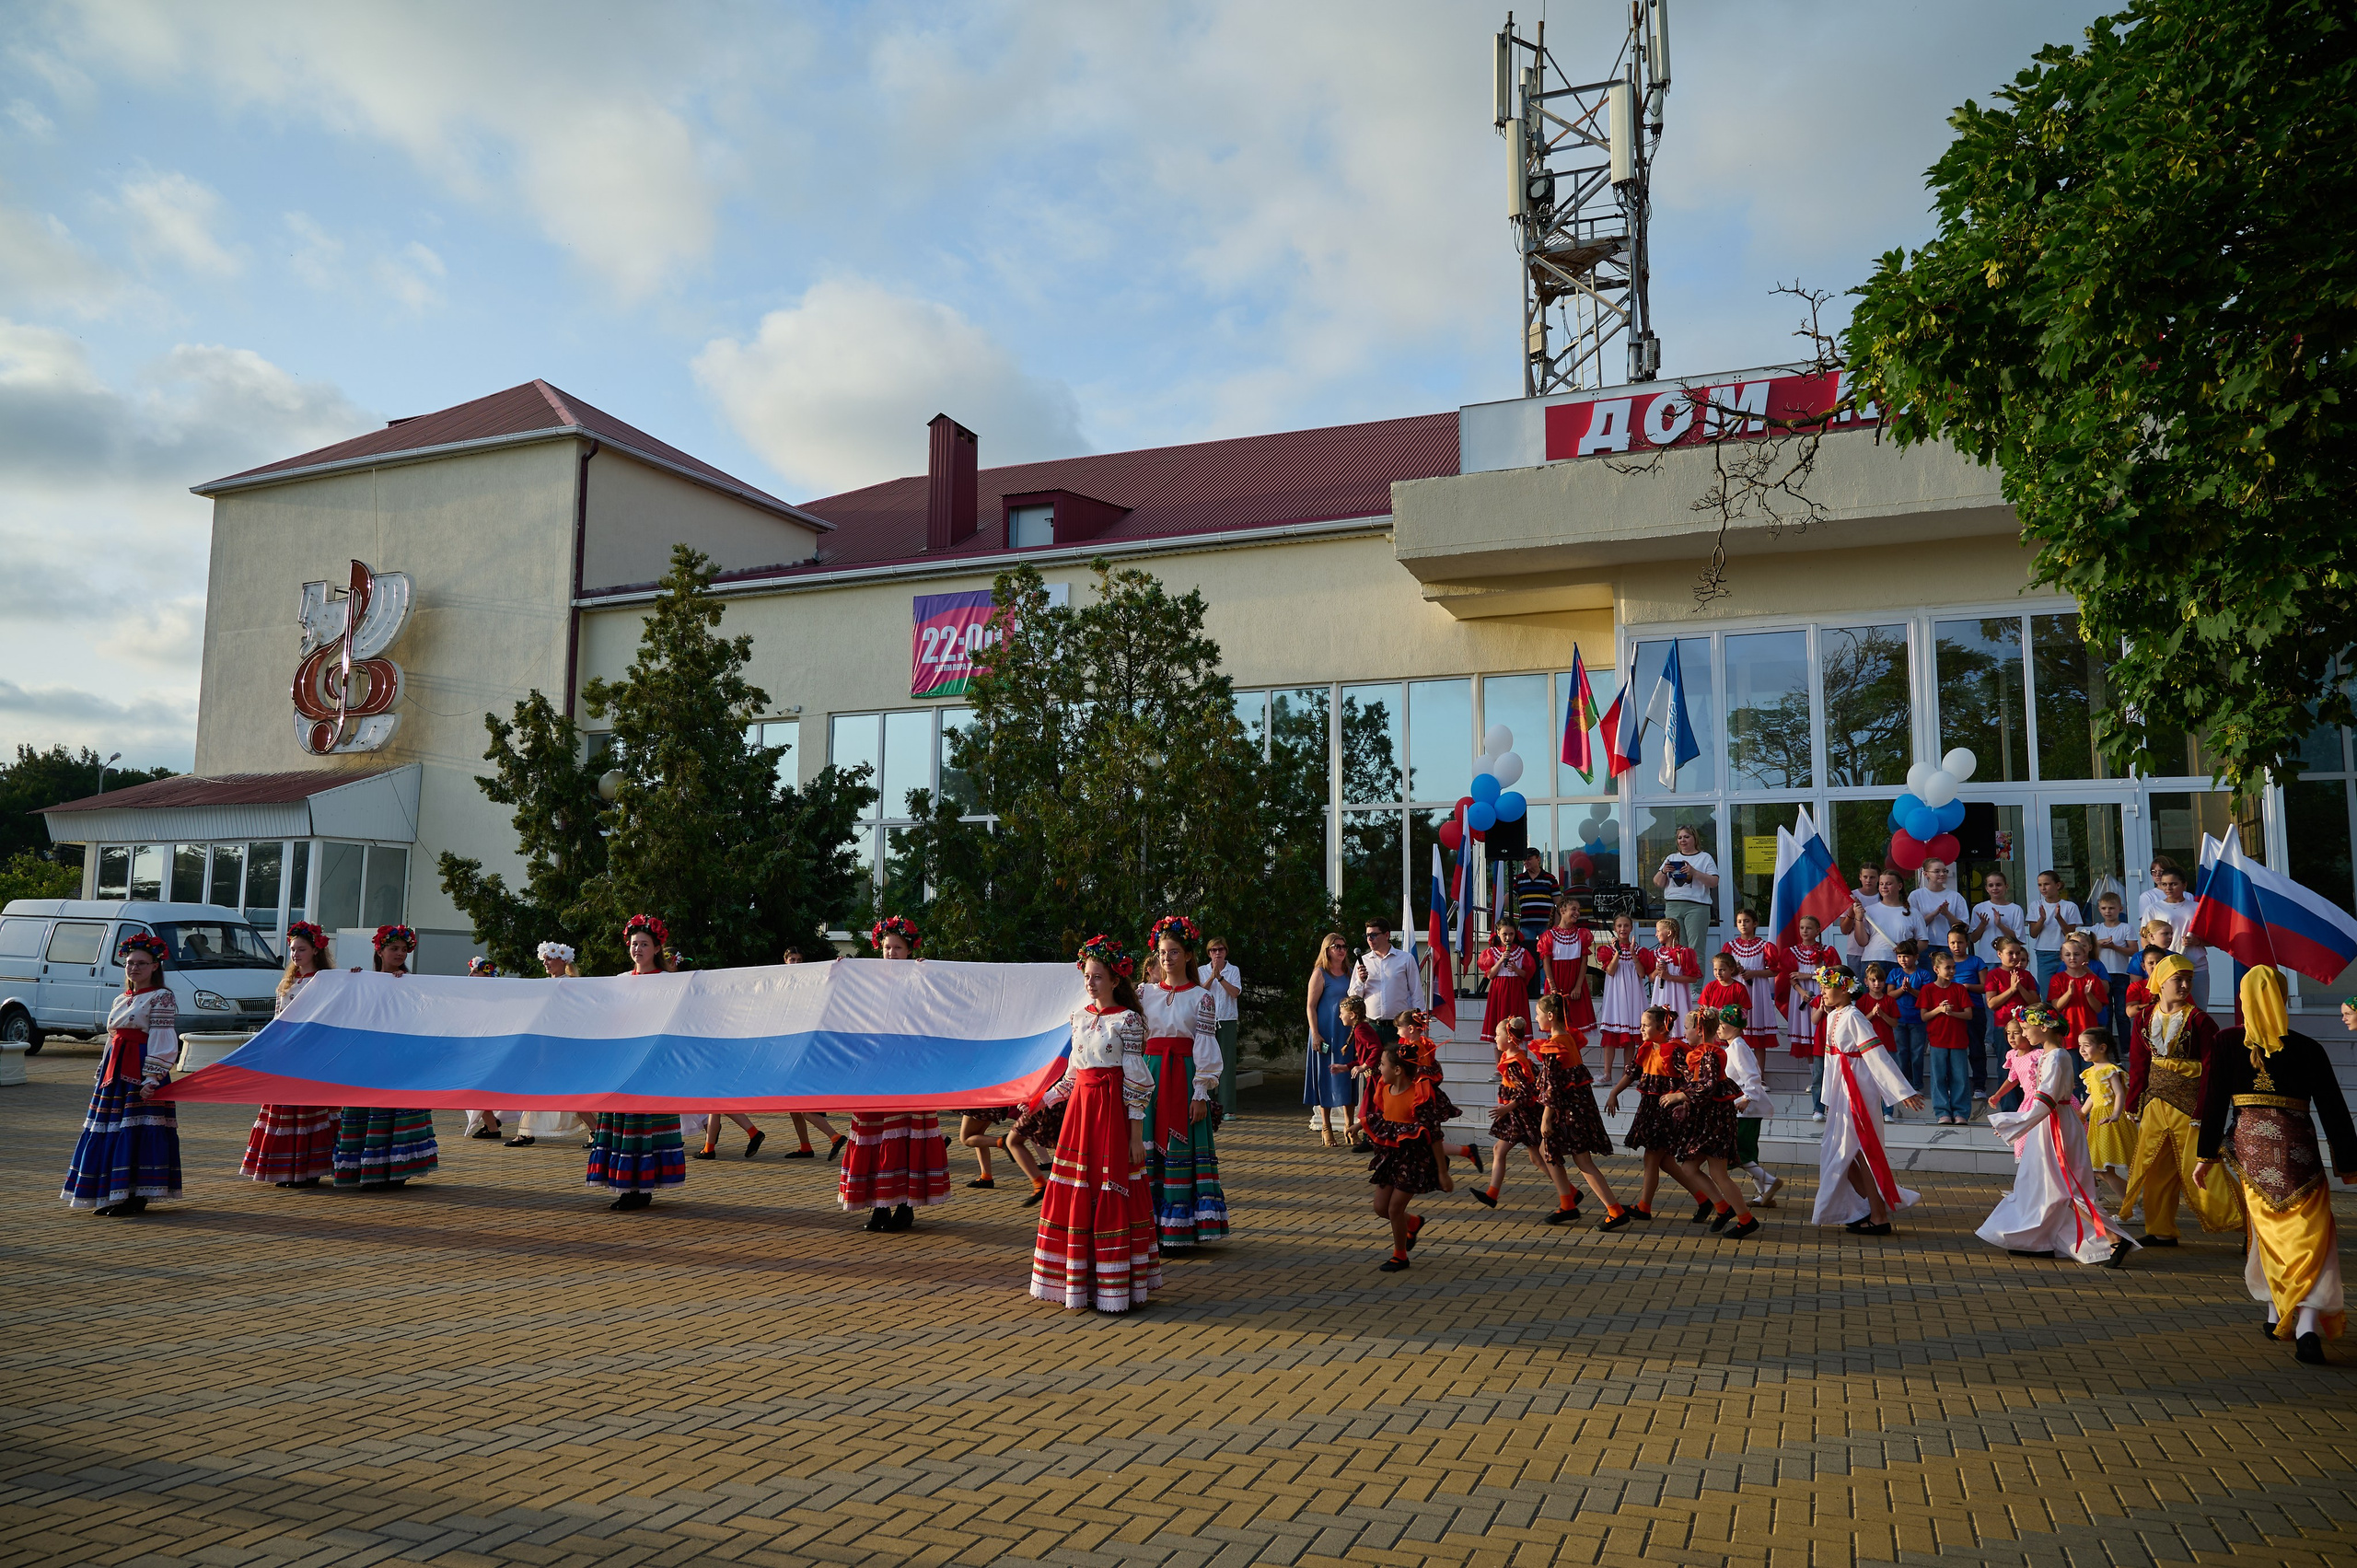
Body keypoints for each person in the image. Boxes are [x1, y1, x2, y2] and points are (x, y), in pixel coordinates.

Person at [2197, 966, 2357, 1364]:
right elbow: (2334, 1109)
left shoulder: (2226, 1041)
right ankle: (2302, 1324)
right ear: (2284, 998)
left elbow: (2214, 1102)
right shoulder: (2307, 1047)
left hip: (2250, 1155)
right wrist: (2349, 1161)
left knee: (2267, 1233)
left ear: (2243, 999)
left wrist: (2205, 1155)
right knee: (2312, 1234)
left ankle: (2278, 1315)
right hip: (2300, 1154)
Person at [1028, 935, 1159, 1313]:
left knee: (1110, 1186)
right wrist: (1042, 1101)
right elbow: (1073, 1074)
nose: (1091, 983)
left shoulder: (1130, 1021)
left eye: (1098, 977)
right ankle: (1078, 1282)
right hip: (1080, 1114)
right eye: (1088, 976)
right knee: (1076, 1187)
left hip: (1111, 1115)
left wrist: (1135, 1134)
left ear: (1115, 980)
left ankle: (1114, 1287)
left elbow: (1136, 1081)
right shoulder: (1079, 1016)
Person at [1977, 1004, 2135, 1267]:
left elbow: (2047, 1099)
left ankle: (2111, 1238)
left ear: (2044, 1027)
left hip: (2056, 1128)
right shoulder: (2049, 1055)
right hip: (2048, 1126)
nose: (2024, 1033)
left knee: (2064, 1185)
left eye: (2027, 1028)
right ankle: (2038, 1240)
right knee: (2040, 1184)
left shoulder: (2058, 1056)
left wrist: (2013, 1123)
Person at [2120, 953, 2245, 1248]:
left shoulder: (2200, 1021)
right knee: (2154, 1168)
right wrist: (2132, 1103)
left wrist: (2205, 1109)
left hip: (2191, 1107)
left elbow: (2213, 1069)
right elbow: (2139, 1064)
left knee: (2204, 1168)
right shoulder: (2144, 1017)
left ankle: (2248, 1228)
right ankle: (2160, 1229)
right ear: (2160, 982)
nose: (2186, 985)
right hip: (2155, 1104)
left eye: (2189, 979)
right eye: (2179, 979)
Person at [837, 915, 949, 1231]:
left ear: (909, 950)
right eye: (887, 947)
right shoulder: (869, 980)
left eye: (898, 947)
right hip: (875, 1071)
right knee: (876, 1137)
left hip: (908, 1071)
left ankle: (904, 1205)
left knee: (904, 1137)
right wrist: (840, 973)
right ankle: (878, 1206)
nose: (891, 953)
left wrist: (931, 977)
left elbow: (937, 1011)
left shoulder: (920, 978)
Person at [60, 932, 181, 1216]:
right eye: (130, 963)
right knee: (110, 1129)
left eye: (141, 963)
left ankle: (135, 1196)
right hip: (115, 1073)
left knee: (137, 1130)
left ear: (155, 966)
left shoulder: (161, 996)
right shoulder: (122, 998)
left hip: (140, 1070)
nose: (134, 968)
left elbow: (163, 1038)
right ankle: (113, 1192)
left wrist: (152, 1078)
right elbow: (113, 1039)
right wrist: (102, 1073)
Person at [1810, 966, 1926, 1235]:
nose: (1823, 993)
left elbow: (1876, 1053)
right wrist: (1828, 1096)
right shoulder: (1832, 1016)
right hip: (1841, 1090)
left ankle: (1878, 1215)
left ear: (1844, 988)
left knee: (1861, 1151)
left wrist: (1902, 1090)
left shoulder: (1853, 1016)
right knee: (1840, 1151)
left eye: (1827, 987)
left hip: (1858, 1089)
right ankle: (1869, 1207)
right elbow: (1830, 1058)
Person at [587, 914, 688, 1213]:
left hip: (653, 1067)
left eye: (644, 944)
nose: (638, 949)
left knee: (644, 1126)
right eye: (634, 944)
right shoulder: (619, 982)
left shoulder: (671, 983)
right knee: (624, 1125)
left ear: (657, 948)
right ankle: (628, 1186)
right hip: (622, 1065)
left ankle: (641, 1189)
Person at [1140, 915, 1228, 1249]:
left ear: (1188, 955)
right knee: (1145, 1146)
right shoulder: (1144, 994)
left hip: (1185, 1077)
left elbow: (1205, 1046)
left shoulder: (1200, 998)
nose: (1167, 958)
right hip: (1150, 1078)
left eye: (1174, 952)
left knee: (1181, 1148)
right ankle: (1149, 1227)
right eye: (1163, 952)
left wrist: (1200, 1092)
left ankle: (1180, 1228)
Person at [334, 925, 438, 1191]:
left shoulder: (411, 985)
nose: (400, 953)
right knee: (367, 1111)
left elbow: (421, 1019)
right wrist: (355, 982)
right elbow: (350, 1012)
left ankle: (397, 1169)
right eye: (394, 948)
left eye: (404, 949)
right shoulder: (364, 980)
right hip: (368, 1060)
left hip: (399, 1059)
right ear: (379, 950)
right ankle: (367, 1167)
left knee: (394, 1111)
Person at [239, 922, 339, 1187]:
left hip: (311, 1052)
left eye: (301, 949)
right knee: (284, 1110)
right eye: (293, 949)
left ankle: (309, 1169)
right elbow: (277, 1019)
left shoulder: (327, 981)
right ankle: (286, 1168)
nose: (296, 955)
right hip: (286, 1052)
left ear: (316, 951)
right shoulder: (288, 982)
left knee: (309, 1110)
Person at [1527, 992, 1630, 1228]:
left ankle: (1615, 1210)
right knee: (1547, 1152)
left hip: (1569, 1111)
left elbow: (1553, 1087)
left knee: (1582, 1161)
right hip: (1576, 1108)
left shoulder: (1555, 1046)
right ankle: (1567, 1203)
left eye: (1538, 1014)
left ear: (1551, 1016)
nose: (1536, 1019)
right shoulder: (1568, 1038)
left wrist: (1545, 1119)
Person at [1659, 1007, 1760, 1239]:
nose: (1684, 1032)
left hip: (1715, 1123)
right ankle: (1723, 1208)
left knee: (1719, 1173)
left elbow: (1706, 1087)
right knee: (1689, 1167)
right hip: (1705, 1122)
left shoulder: (1710, 1054)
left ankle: (1745, 1219)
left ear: (1699, 1029)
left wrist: (1680, 1096)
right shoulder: (1702, 1052)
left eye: (1686, 1028)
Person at [1604, 1005, 1712, 1220]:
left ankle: (1645, 1207)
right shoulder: (1645, 1048)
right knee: (1666, 1162)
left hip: (1666, 1110)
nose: (1641, 1028)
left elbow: (1691, 1078)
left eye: (1646, 1025)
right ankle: (1704, 1199)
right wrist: (1614, 1092)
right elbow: (1632, 1072)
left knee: (1651, 1159)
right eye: (1642, 1024)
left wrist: (1681, 1098)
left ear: (1662, 1027)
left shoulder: (1675, 1049)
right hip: (1650, 1108)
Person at [1364, 1043, 1457, 1272]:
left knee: (1394, 1209)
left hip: (1414, 1160)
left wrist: (1443, 1173)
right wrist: (1359, 1124)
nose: (1379, 1067)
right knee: (1380, 1207)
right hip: (1390, 1158)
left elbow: (1434, 1136)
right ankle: (1413, 1222)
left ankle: (1400, 1256)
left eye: (1382, 1064)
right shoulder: (1384, 1090)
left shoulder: (1419, 1095)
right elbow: (1384, 1117)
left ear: (1397, 1070)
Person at [1473, 1016, 1573, 1217]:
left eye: (1497, 1034)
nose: (1494, 1038)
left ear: (1509, 1038)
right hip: (1520, 1114)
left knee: (1500, 1150)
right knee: (1536, 1157)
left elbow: (1526, 1092)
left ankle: (1493, 1193)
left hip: (1521, 1115)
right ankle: (1570, 1192)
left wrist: (1505, 1108)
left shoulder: (1515, 1062)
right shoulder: (1515, 1057)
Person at [774, 946, 847, 1162]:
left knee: (803, 1105)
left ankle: (835, 1136)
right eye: (792, 960)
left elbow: (826, 982)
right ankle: (805, 1146)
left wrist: (838, 966)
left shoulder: (809, 981)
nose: (796, 963)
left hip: (806, 1050)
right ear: (785, 961)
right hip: (789, 1047)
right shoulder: (781, 983)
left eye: (799, 959)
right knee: (793, 1107)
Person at [1716, 1006, 1781, 1207]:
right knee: (1746, 1151)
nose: (1718, 1029)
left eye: (1722, 1024)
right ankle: (1765, 1193)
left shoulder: (1738, 1047)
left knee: (1740, 1151)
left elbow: (1752, 1074)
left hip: (1746, 1110)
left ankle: (1770, 1182)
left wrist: (1747, 1098)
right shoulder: (1734, 1046)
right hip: (1743, 1108)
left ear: (1734, 1027)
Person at [1303, 932, 1359, 1145]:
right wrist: (1315, 1033)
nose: (1342, 950)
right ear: (1327, 950)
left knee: (1348, 1077)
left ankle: (1349, 1126)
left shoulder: (1350, 972)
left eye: (1344, 946)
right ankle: (1326, 1127)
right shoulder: (1320, 973)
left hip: (1346, 1034)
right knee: (1325, 1077)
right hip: (1325, 1033)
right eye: (1337, 946)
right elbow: (1310, 1006)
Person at [2078, 1027, 2137, 1214]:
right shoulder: (2091, 1071)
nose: (2081, 1050)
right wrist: (2080, 1115)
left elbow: (2119, 1094)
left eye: (2086, 1045)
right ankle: (2135, 1202)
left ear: (2102, 1048)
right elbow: (2094, 1097)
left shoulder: (2110, 1070)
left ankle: (2134, 1205)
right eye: (2080, 1045)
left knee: (2102, 1169)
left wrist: (2116, 1114)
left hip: (2110, 1121)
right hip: (2098, 1121)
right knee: (2100, 1169)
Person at [1785, 915, 1837, 1121]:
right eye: (1802, 928)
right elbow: (1790, 977)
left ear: (1818, 930)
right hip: (1802, 995)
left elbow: (1833, 973)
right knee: (1807, 1034)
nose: (1804, 931)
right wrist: (1800, 991)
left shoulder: (1826, 951)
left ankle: (1824, 1076)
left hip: (1823, 992)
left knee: (1821, 1034)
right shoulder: (1792, 952)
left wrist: (1807, 977)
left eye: (1809, 928)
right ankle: (1813, 1077)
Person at [1917, 947, 1975, 1125]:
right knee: (1939, 1077)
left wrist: (1952, 1013)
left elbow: (1969, 1014)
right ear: (1936, 970)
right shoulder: (1927, 989)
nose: (1951, 971)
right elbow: (1924, 1016)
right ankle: (1942, 1111)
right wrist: (1939, 1010)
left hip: (1958, 1039)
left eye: (1953, 968)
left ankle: (1961, 1112)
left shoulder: (1959, 989)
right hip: (1938, 1040)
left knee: (1960, 1077)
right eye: (1947, 968)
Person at [1346, 917, 1423, 1046]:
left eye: (1374, 935)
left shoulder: (1405, 959)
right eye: (1367, 935)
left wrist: (1418, 1024)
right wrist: (1360, 981)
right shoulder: (1363, 961)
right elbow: (1353, 998)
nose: (1369, 939)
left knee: (1399, 1065)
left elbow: (1416, 993)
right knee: (1371, 1065)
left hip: (1399, 1027)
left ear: (1387, 935)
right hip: (1372, 1026)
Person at [1720, 907, 1785, 1054]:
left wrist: (1753, 973)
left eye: (1747, 921)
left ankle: (1759, 1075)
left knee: (1758, 1038)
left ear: (1755, 923)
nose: (1743, 924)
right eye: (1739, 921)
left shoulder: (1764, 946)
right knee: (1734, 1035)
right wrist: (1735, 970)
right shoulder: (1730, 947)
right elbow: (1722, 970)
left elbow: (1775, 970)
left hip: (1757, 993)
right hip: (1736, 991)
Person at [1591, 912, 1647, 1081]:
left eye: (1626, 925)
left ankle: (1626, 1074)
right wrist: (1617, 952)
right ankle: (1607, 1073)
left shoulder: (1639, 950)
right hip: (1615, 995)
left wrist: (1633, 955)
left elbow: (1642, 973)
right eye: (1619, 926)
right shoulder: (1607, 950)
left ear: (1631, 928)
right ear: (1615, 928)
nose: (1623, 929)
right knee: (1610, 1036)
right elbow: (1611, 971)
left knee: (1630, 1036)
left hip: (1632, 995)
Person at [1944, 924, 1991, 1110]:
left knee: (1976, 1048)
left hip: (1974, 1009)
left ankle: (1979, 1085)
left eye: (1960, 942)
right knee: (1953, 1051)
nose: (1956, 946)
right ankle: (1954, 1085)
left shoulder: (1976, 961)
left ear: (1967, 943)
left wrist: (1967, 987)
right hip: (1951, 1012)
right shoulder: (1945, 963)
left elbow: (1985, 987)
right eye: (1952, 943)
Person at [2142, 862, 2208, 995]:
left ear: (2184, 884)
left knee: (2198, 1010)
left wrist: (2197, 942)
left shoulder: (2198, 908)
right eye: (2164, 884)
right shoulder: (2153, 909)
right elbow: (2145, 939)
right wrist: (2153, 962)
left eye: (2173, 884)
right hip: (2167, 967)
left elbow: (2212, 938)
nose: (2168, 888)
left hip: (2196, 965)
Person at [1651, 824, 1718, 954]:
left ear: (1695, 838)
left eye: (1686, 837)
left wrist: (1694, 872)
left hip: (1697, 906)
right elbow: (1657, 882)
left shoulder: (1704, 857)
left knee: (1695, 949)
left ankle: (1696, 975)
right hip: (1673, 905)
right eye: (1680, 837)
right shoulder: (1671, 858)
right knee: (1675, 946)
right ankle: (1678, 974)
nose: (1683, 840)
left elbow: (1714, 882)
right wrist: (1664, 871)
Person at [1538, 897, 1596, 1034]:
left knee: (1575, 1026)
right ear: (1562, 910)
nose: (1577, 913)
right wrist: (1552, 986)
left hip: (1575, 983)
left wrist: (1578, 986)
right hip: (1556, 982)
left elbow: (1584, 962)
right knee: (1554, 1024)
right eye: (1573, 909)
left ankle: (1573, 1054)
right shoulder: (1548, 935)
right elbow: (1546, 963)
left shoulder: (1582, 934)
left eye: (1579, 910)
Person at [1846, 870, 1924, 968]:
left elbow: (1923, 941)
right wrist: (1858, 919)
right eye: (1881, 884)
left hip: (1901, 964)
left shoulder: (1914, 913)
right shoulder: (1869, 911)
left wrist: (1907, 950)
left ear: (1899, 886)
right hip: (1873, 961)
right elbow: (1862, 942)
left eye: (1889, 884)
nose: (1884, 887)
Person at [1477, 923, 1537, 1046]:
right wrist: (1500, 960)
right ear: (1498, 933)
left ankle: (1521, 1058)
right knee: (1498, 1023)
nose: (1508, 938)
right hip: (1499, 990)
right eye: (1504, 934)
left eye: (1511, 934)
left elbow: (1527, 974)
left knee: (1518, 1022)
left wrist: (1516, 969)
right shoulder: (1491, 952)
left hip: (1516, 990)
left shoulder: (1522, 952)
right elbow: (1490, 975)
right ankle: (1499, 1062)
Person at [1202, 936, 1244, 1117]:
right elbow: (1198, 993)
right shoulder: (1201, 970)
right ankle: (1206, 1106)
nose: (1217, 953)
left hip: (1227, 1020)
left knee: (1226, 1065)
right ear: (1209, 953)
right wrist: (1212, 976)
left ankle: (1228, 1109)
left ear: (1226, 951)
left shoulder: (1233, 970)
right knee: (1206, 1064)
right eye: (1213, 950)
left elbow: (1235, 993)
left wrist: (1220, 978)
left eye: (1220, 950)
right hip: (1207, 1022)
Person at [1887, 940, 1929, 1101]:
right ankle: (1904, 1085)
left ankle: (1917, 1085)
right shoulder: (1895, 973)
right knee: (1901, 1053)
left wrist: (1911, 990)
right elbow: (1890, 995)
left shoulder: (1923, 974)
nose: (1903, 959)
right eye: (1900, 956)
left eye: (1906, 956)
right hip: (1898, 1019)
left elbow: (1926, 996)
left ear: (1916, 957)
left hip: (1917, 1019)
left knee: (1917, 1053)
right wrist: (1902, 990)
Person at [2026, 870, 2082, 993]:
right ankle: (2050, 1013)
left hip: (2066, 953)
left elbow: (2071, 935)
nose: (2043, 888)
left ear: (2057, 885)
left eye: (2047, 884)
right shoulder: (2036, 905)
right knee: (2047, 992)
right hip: (2044, 953)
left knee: (2068, 991)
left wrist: (2059, 918)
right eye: (2040, 885)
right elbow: (2033, 934)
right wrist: (2042, 919)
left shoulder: (2069, 906)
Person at [2088, 893, 2136, 1038]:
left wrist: (2114, 947)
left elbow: (2133, 951)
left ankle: (2126, 1048)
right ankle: (2107, 1045)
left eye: (2111, 908)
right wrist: (2100, 943)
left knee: (2122, 1012)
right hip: (2102, 975)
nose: (2108, 911)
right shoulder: (2096, 929)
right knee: (2105, 1011)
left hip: (2121, 973)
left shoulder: (2126, 927)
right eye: (2104, 908)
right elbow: (2086, 945)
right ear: (2099, 910)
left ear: (2120, 909)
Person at [1341, 994, 1383, 1151]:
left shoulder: (1361, 1030)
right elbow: (1364, 1056)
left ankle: (1372, 1139)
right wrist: (1345, 1067)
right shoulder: (1360, 1028)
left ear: (1352, 1015)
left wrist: (1364, 1066)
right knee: (1368, 1108)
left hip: (1377, 1077)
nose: (1340, 1016)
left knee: (1372, 1109)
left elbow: (1376, 1049)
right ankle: (1372, 1139)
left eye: (1342, 1012)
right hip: (1372, 1077)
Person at [1645, 915, 1700, 1022]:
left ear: (1669, 933)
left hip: (1677, 994)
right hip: (1660, 994)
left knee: (1676, 1019)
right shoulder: (1656, 953)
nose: (1656, 934)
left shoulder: (1683, 953)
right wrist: (1657, 971)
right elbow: (1651, 979)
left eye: (1658, 931)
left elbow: (1693, 978)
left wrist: (1669, 977)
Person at [1968, 871, 2027, 968]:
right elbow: (1973, 938)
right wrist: (1982, 925)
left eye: (1998, 885)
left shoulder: (2015, 909)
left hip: (2009, 959)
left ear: (2006, 886)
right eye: (1991, 885)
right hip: (1986, 958)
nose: (1995, 888)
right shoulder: (1979, 908)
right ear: (1986, 889)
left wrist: (2000, 925)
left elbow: (2019, 939)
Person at [1908, 859, 1970, 945]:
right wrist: (1934, 914)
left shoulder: (1955, 896)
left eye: (1945, 871)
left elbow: (1964, 927)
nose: (1942, 874)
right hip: (1925, 944)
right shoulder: (1916, 895)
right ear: (1926, 874)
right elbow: (1913, 926)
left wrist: (1947, 914)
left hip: (1950, 945)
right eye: (1937, 871)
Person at [1515, 849, 1562, 953]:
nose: (1526, 862)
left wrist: (1556, 924)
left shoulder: (1550, 878)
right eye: (1524, 860)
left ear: (1538, 859)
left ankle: (1544, 970)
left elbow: (1558, 903)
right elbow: (1509, 897)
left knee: (1547, 953)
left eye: (1529, 859)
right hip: (1526, 924)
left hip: (1546, 924)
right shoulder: (1519, 879)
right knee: (1526, 954)